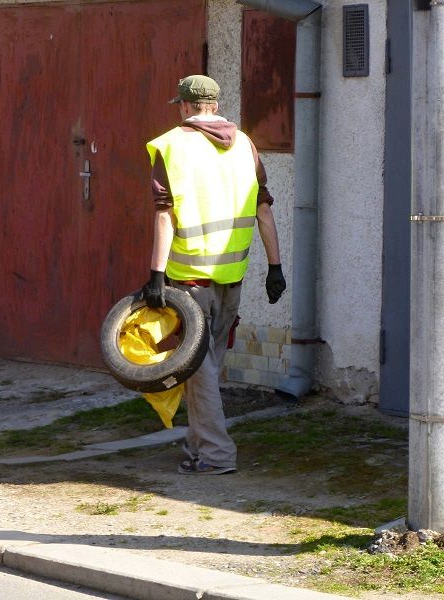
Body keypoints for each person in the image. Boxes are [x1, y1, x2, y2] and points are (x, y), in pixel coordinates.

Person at [142, 75, 285, 475]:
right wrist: (275, 267)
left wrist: (156, 273)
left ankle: (217, 455)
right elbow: (264, 209)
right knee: (206, 366)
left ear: (185, 107)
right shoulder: (245, 145)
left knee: (198, 370)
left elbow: (165, 214)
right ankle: (198, 444)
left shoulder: (171, 146)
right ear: (216, 106)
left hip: (189, 279)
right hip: (232, 276)